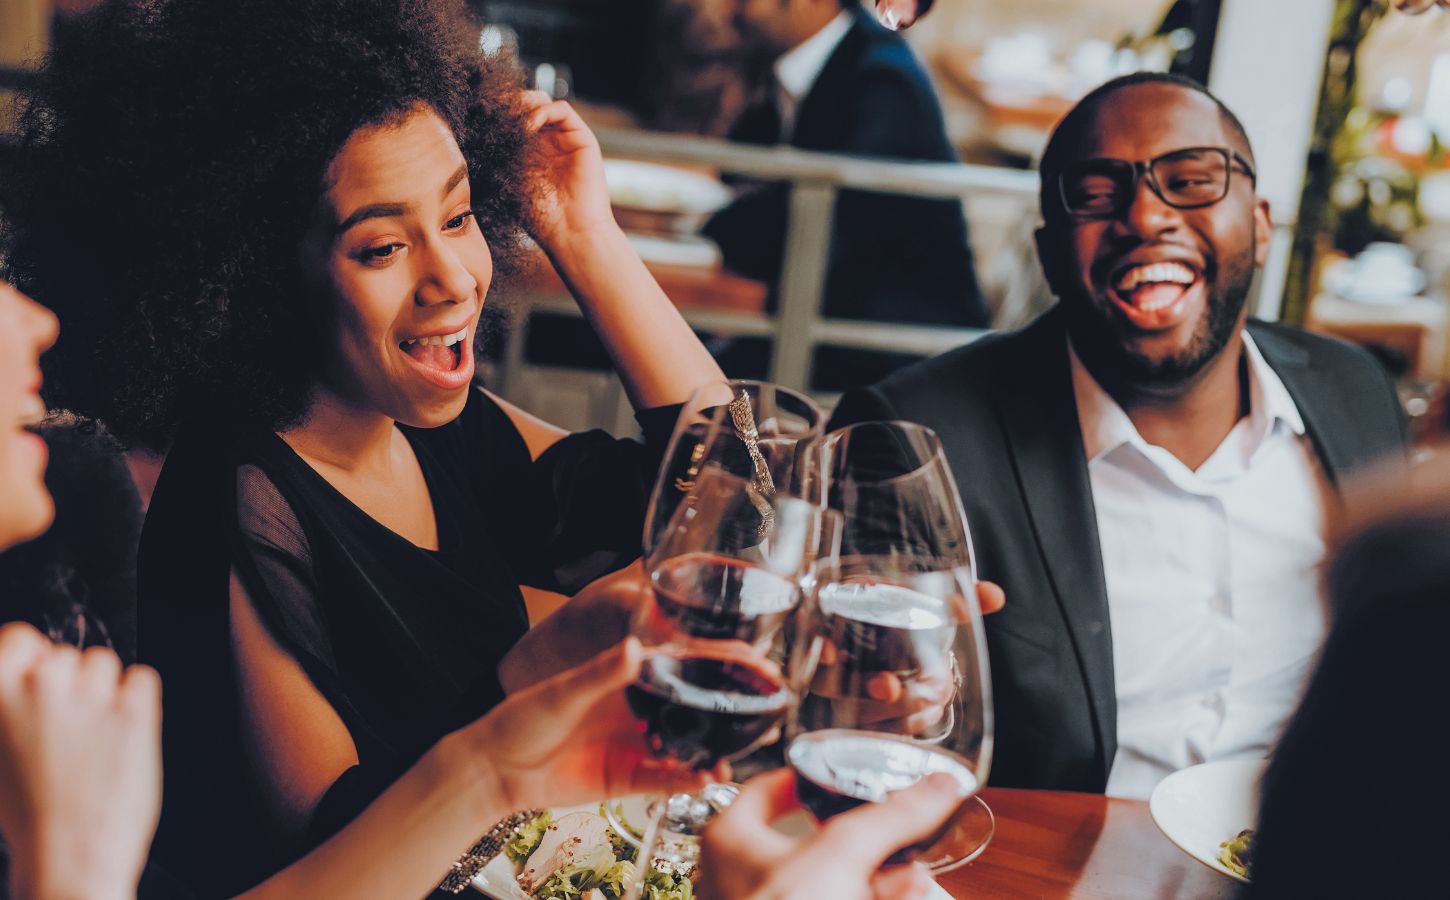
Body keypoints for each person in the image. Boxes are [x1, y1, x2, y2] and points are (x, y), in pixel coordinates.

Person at [0, 0, 737, 893]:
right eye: (384, 246)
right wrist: (519, 682)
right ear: (261, 275)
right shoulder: (237, 502)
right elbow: (320, 844)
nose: (454, 279)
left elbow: (731, 513)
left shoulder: (444, 429)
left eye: (461, 217)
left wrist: (587, 239)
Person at [829, 72, 1408, 798]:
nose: (1145, 216)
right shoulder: (918, 437)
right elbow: (863, 709)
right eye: (1097, 195)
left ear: (1260, 223)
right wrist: (905, 699)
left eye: (1191, 180)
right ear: (1048, 255)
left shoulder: (1353, 390)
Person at [703, 0, 988, 329]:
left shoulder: (885, 82)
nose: (726, 9)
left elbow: (804, 236)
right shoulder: (800, 61)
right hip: (815, 318)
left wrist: (709, 221)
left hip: (889, 344)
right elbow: (735, 172)